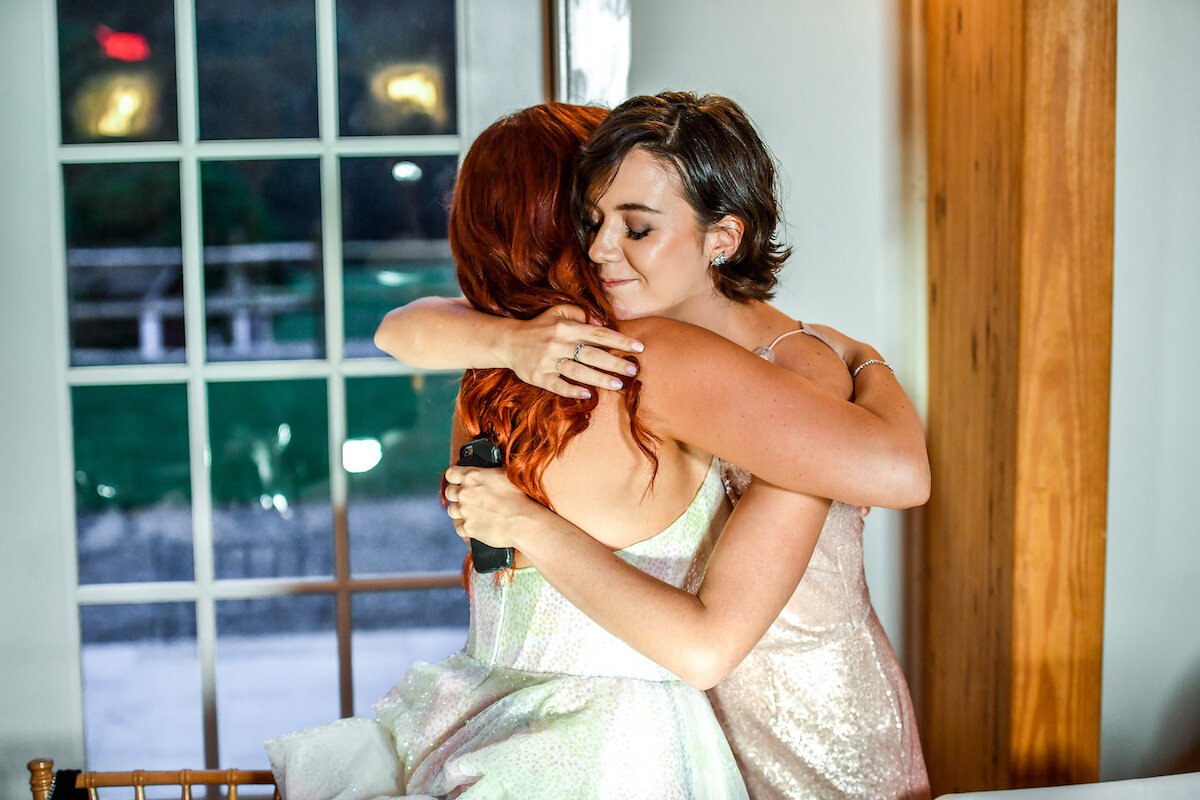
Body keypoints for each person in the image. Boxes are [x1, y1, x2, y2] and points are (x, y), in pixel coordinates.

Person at [266, 102, 920, 800]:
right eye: (593, 218)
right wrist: (866, 362)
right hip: (637, 731)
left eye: (633, 224)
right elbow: (400, 327)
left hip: (770, 709)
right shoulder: (604, 355)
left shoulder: (497, 372)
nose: (606, 245)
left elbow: (400, 328)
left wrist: (856, 361)